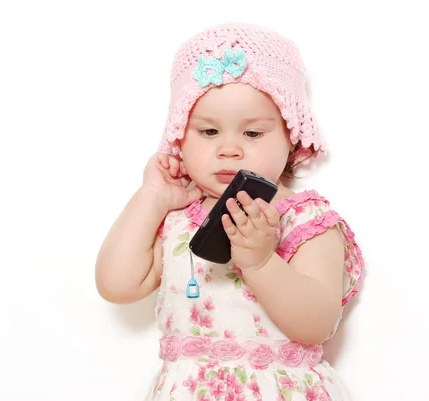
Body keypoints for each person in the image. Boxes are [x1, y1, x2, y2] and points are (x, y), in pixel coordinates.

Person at [95, 22, 364, 401]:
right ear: (179, 136)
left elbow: (317, 323)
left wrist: (259, 262)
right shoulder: (176, 219)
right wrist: (151, 197)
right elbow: (117, 285)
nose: (229, 149)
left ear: (291, 135)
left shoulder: (304, 219)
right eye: (208, 133)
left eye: (252, 134)